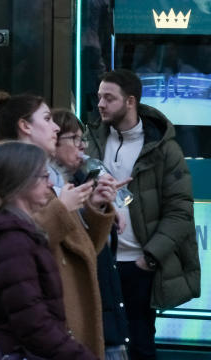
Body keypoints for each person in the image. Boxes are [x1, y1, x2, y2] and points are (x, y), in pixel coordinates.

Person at [0, 91, 116, 358]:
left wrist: (96, 207)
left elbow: (84, 250)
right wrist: (62, 209)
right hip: (47, 336)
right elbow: (15, 250)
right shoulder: (10, 177)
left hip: (64, 323)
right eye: (47, 118)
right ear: (25, 126)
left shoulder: (52, 180)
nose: (56, 126)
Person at [85, 69, 201, 360]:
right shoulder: (91, 141)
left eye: (108, 98)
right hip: (99, 259)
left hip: (137, 265)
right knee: (96, 344)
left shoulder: (164, 149)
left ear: (130, 101)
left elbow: (180, 212)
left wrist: (149, 259)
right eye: (99, 96)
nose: (100, 104)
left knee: (139, 345)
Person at [0, 140, 97, 360]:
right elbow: (34, 325)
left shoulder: (10, 233)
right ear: (21, 182)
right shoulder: (11, 241)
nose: (50, 184)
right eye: (43, 177)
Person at [51, 108, 131, 360]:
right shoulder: (45, 190)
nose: (82, 146)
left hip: (102, 309)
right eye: (74, 139)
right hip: (75, 320)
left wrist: (101, 205)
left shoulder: (84, 177)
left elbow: (95, 247)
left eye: (81, 138)